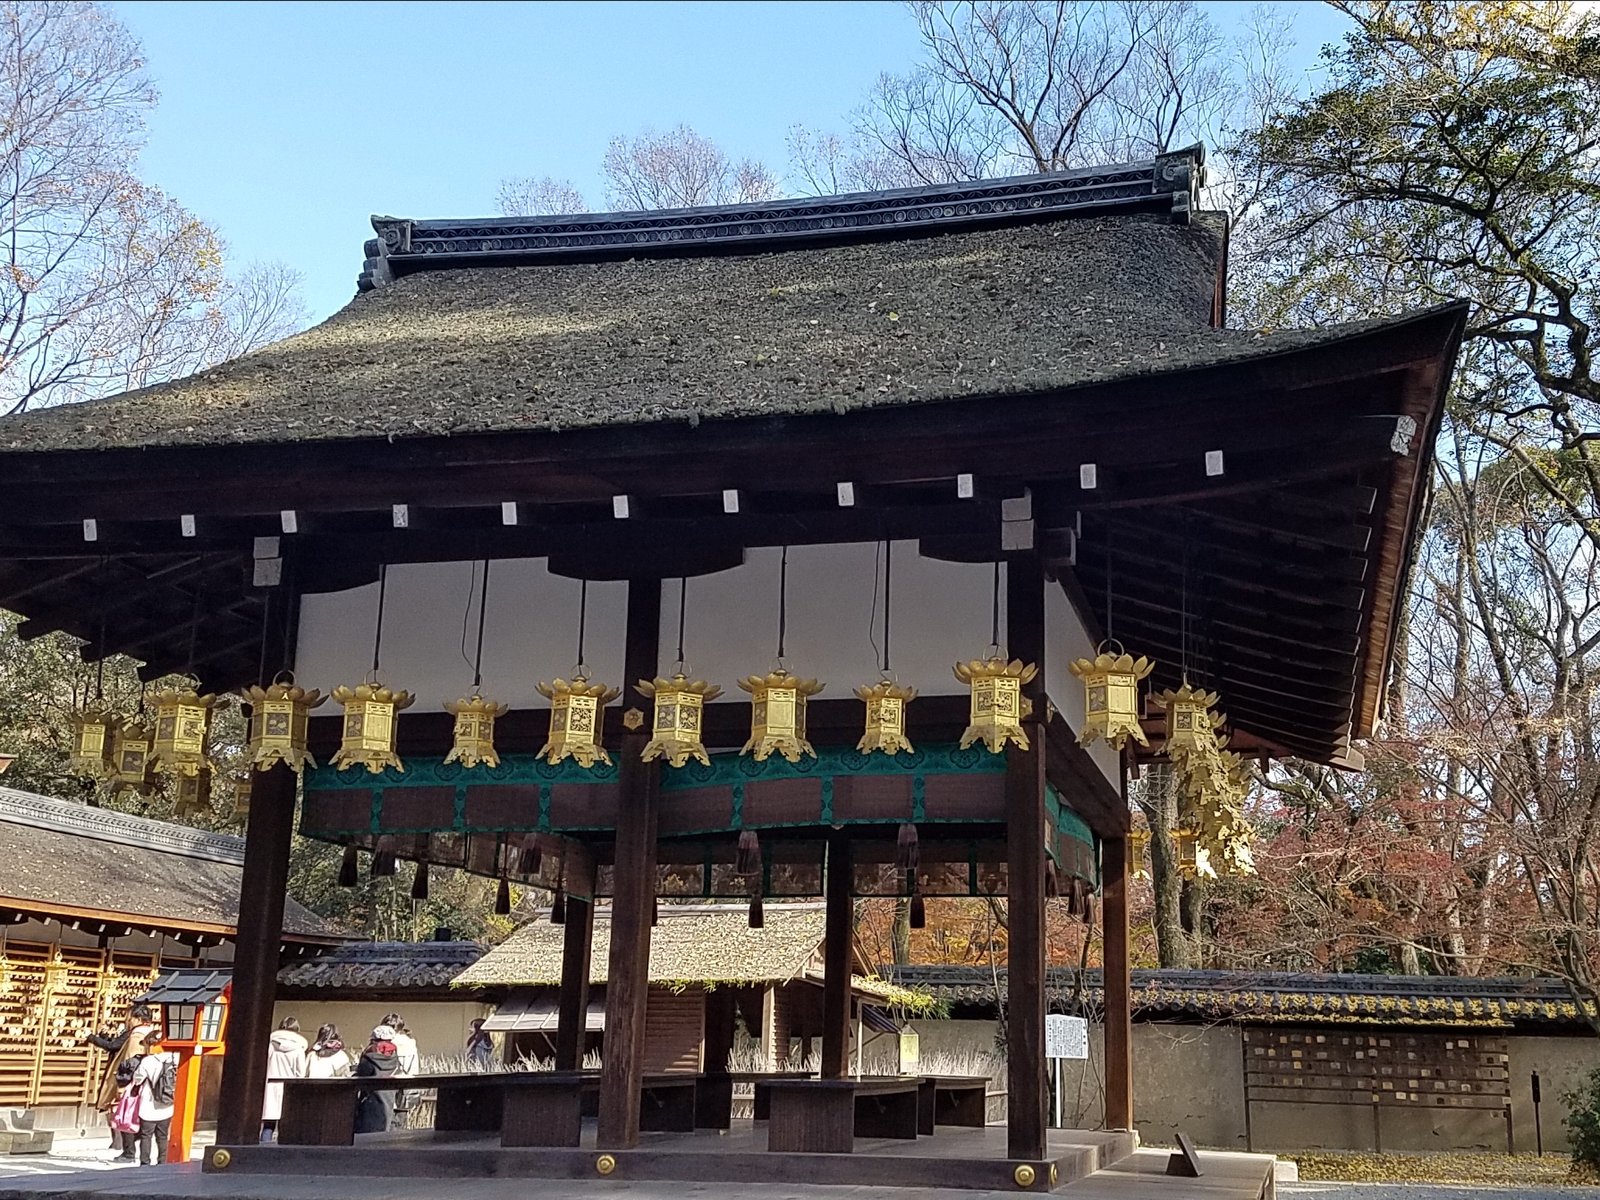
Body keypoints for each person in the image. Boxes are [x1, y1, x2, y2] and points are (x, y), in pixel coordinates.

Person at [88, 1004, 155, 1156]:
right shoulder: (152, 1033)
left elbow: (129, 1060)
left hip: (132, 1080)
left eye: (130, 1017)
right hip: (149, 1081)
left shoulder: (136, 1034)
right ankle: (142, 1154)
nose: (128, 1021)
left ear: (137, 1019)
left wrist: (122, 1084)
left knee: (125, 1112)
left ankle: (127, 1151)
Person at [131, 1030, 177, 1166]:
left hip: (149, 1104)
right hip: (167, 1103)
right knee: (162, 1136)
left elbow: (137, 1079)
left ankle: (145, 1162)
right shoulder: (174, 1058)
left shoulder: (148, 1061)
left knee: (146, 1135)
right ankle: (162, 1162)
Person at [261, 1017, 309, 1142]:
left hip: (270, 1085)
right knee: (286, 1126)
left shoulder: (270, 1045)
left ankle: (264, 1149)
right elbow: (301, 1072)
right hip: (289, 1088)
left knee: (268, 1125)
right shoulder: (299, 1049)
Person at [353, 1024, 400, 1134]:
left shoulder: (368, 1056)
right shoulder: (394, 1057)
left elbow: (361, 1076)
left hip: (370, 1102)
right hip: (389, 1101)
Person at [382, 1013, 418, 1125]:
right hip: (407, 1084)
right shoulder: (410, 1042)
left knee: (387, 1121)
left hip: (388, 1085)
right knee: (401, 1122)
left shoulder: (387, 1044)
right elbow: (413, 1067)